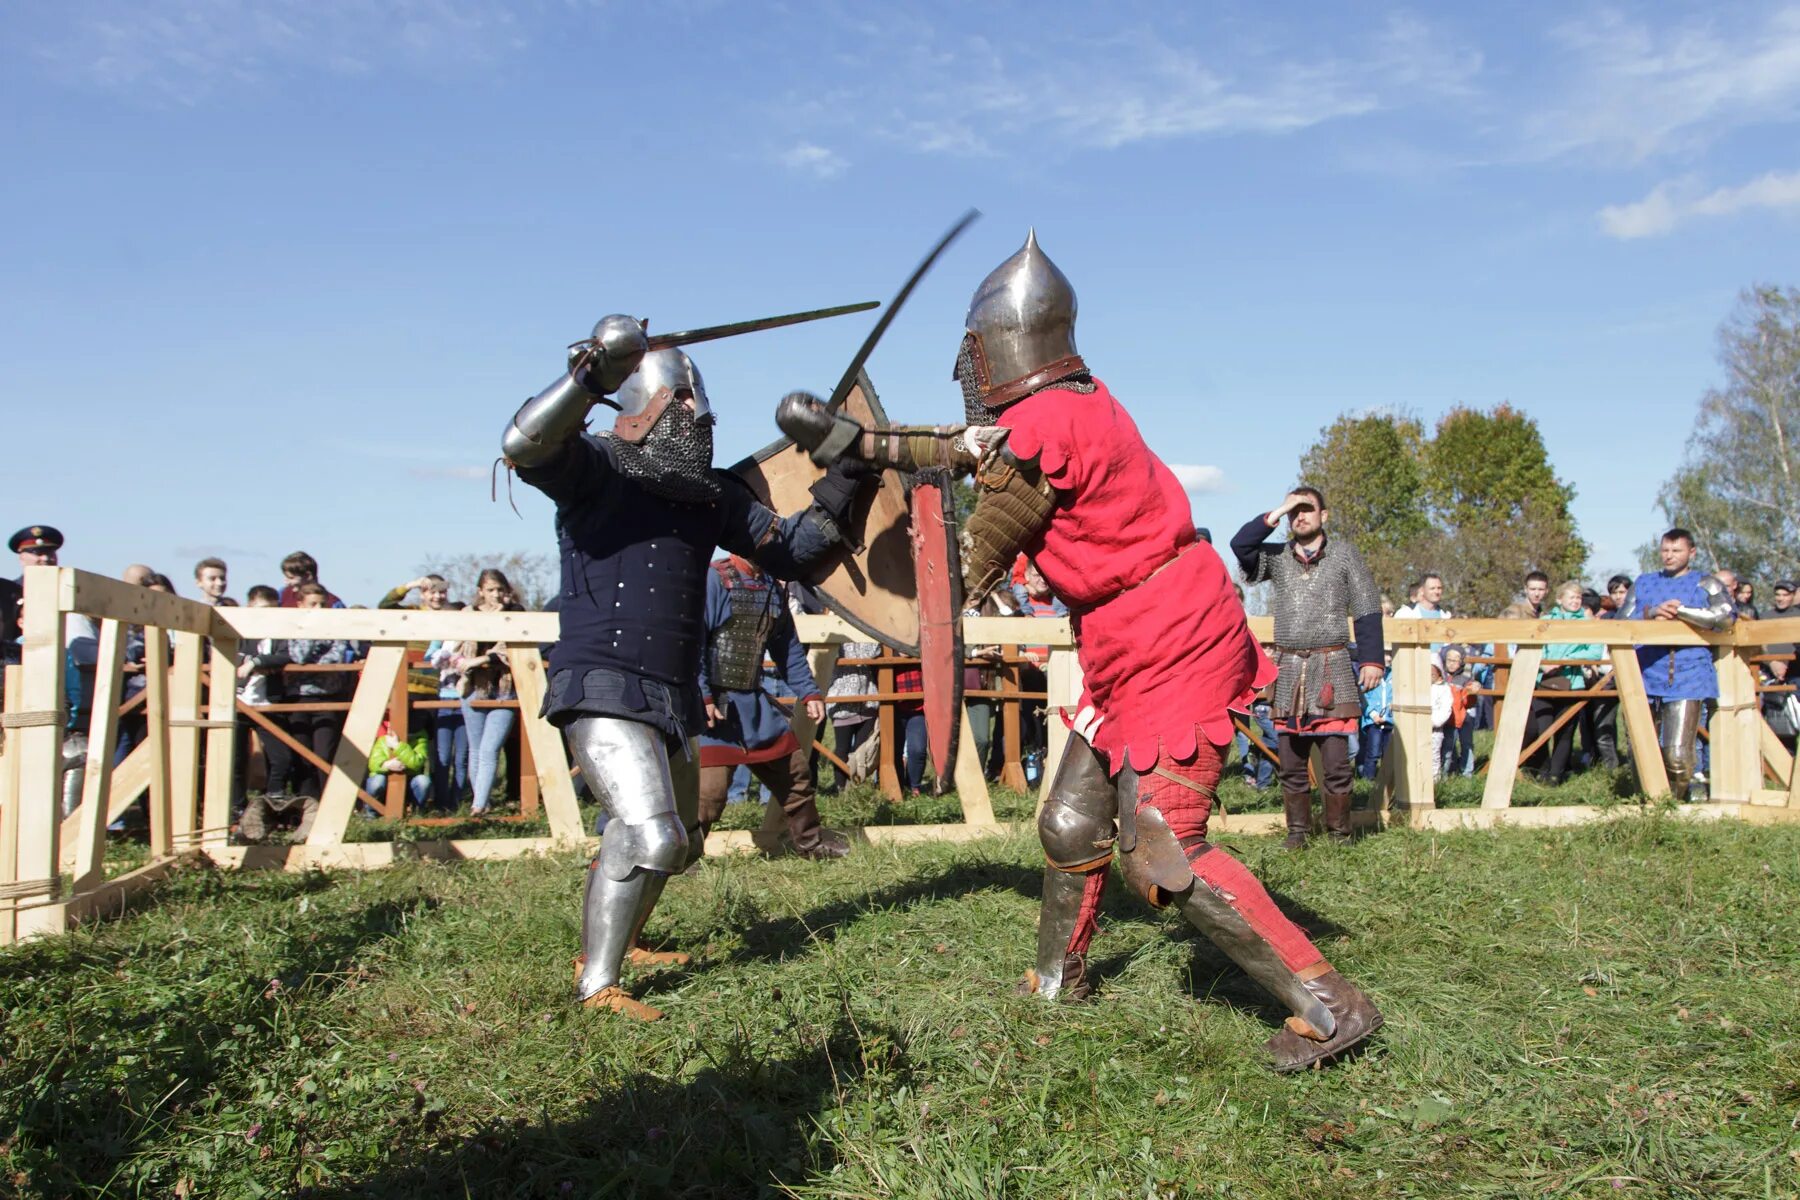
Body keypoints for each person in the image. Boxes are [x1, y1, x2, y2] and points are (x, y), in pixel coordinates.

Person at [778, 230, 1380, 1072]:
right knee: (1069, 822)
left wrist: (857, 478)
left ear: (986, 352)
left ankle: (1331, 1004)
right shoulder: (1070, 405)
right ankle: (1062, 978)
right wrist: (853, 443)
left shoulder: (1046, 427)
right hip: (1124, 640)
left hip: (1171, 638)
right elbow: (965, 451)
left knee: (1161, 843)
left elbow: (968, 565)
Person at [503, 317, 867, 1021]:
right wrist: (591, 374)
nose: (697, 417)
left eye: (701, 408)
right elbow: (523, 443)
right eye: (682, 405)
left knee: (681, 840)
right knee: (651, 833)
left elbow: (793, 551)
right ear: (640, 407)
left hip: (666, 691)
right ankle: (595, 983)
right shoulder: (594, 467)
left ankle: (624, 941)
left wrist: (848, 473)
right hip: (602, 682)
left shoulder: (710, 496)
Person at [1232, 487, 1383, 849]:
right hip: (1289, 670)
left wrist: (1372, 659)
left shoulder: (1345, 556)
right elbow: (1242, 545)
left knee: (1336, 763)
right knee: (1290, 764)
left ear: (1324, 515)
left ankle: (1339, 833)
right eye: (1293, 512)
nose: (1299, 517)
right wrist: (1280, 509)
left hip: (1331, 666)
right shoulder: (1278, 558)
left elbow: (1366, 608)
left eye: (1306, 510)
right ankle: (1297, 832)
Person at [695, 556, 848, 858]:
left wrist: (809, 692)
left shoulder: (770, 586)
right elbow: (694, 643)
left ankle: (810, 842)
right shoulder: (713, 580)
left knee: (794, 772)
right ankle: (683, 858)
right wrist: (703, 697)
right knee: (709, 793)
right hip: (715, 709)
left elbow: (787, 647)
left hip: (753, 703)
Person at [1614, 529, 1735, 799]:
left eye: (1676, 551)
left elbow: (1726, 617)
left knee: (1677, 754)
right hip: (1644, 673)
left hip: (1689, 672)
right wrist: (1652, 612)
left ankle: (1672, 805)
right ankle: (1645, 805)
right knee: (1639, 747)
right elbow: (1620, 622)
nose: (1669, 556)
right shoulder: (1644, 583)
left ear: (1691, 552)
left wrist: (1681, 611)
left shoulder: (1706, 583)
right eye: (1665, 550)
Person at [452, 569, 522, 815]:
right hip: (473, 689)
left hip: (504, 689)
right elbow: (455, 643)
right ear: (480, 591)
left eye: (500, 589)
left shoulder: (515, 613)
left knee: (490, 749)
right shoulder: (468, 614)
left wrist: (479, 659)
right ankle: (480, 800)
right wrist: (459, 660)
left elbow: (507, 650)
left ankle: (478, 805)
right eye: (490, 590)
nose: (495, 595)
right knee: (475, 748)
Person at [1529, 581, 1603, 786]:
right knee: (1541, 729)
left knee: (1565, 732)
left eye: (1578, 598)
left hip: (1572, 682)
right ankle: (1542, 768)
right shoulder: (1545, 620)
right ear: (1559, 599)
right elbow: (1534, 645)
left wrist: (1568, 659)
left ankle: (1556, 774)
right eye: (1571, 597)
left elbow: (1595, 651)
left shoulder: (1587, 623)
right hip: (1545, 680)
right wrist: (1543, 664)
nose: (1575, 601)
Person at [363, 718, 431, 815]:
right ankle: (371, 814)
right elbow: (373, 764)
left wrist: (397, 746)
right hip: (385, 782)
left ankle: (417, 814)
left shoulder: (420, 738)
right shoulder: (383, 739)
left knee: (423, 781)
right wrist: (387, 764)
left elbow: (416, 763)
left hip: (409, 781)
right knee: (377, 782)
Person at [1439, 645, 1475, 776]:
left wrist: (1473, 690)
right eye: (1449, 660)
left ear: (1461, 662)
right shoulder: (1441, 678)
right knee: (1447, 748)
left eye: (1456, 660)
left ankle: (1467, 772)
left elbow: (1470, 699)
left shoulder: (1465, 680)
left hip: (1464, 717)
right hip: (1449, 720)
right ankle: (1443, 773)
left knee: (1467, 745)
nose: (1452, 663)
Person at [1357, 654, 1392, 780]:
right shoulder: (1369, 676)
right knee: (1373, 752)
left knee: (1388, 753)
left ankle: (1386, 779)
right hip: (1373, 721)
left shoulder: (1393, 676)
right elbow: (1364, 697)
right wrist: (1373, 714)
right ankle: (1368, 778)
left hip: (1389, 720)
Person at [278, 552, 344, 609]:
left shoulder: (334, 603)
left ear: (307, 576)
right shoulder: (282, 595)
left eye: (291, 578)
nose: (286, 582)